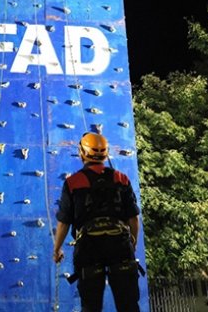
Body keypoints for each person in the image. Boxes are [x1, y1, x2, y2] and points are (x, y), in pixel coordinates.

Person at [53, 133, 142, 312]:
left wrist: (57, 249)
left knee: (91, 306)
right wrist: (132, 241)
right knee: (129, 305)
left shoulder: (72, 182)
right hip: (120, 245)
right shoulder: (121, 178)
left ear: (82, 152)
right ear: (106, 153)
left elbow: (64, 222)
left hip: (89, 247)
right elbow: (133, 217)